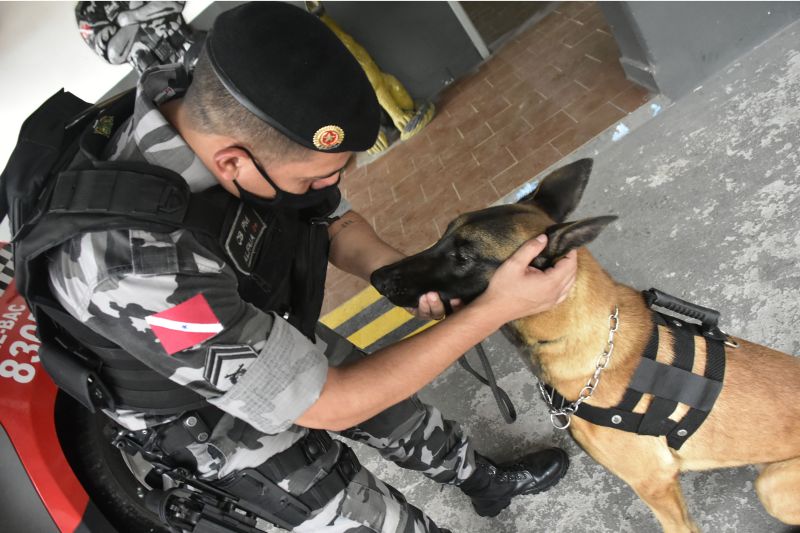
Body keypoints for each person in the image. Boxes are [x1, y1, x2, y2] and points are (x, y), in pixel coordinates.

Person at [46, 2, 578, 531]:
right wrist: (497, 310)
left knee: (399, 410)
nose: (329, 186)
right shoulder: (134, 267)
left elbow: (331, 221)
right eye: (313, 178)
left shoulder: (219, 101)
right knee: (373, 520)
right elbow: (332, 403)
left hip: (251, 314)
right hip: (201, 407)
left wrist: (404, 277)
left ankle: (483, 482)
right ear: (233, 162)